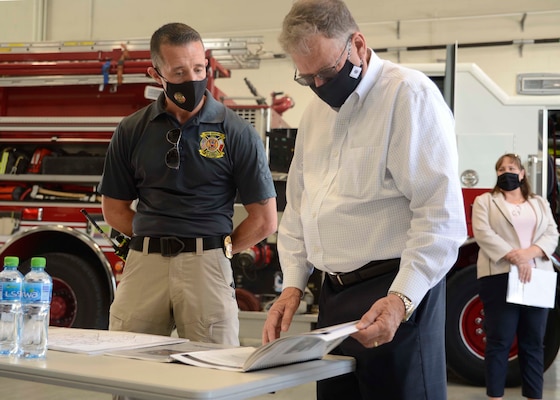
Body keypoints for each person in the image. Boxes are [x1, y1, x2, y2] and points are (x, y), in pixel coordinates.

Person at [262, 1, 467, 399]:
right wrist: (292, 286)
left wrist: (400, 300)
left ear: (357, 44)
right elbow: (301, 208)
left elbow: (439, 215)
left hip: (395, 297)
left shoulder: (408, 96)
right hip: (333, 302)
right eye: (307, 79)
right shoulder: (316, 113)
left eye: (326, 73)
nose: (319, 87)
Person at [98, 22, 277, 346]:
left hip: (207, 266)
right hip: (144, 265)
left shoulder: (236, 132)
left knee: (212, 376)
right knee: (127, 371)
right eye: (179, 72)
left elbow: (265, 219)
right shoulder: (132, 130)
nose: (192, 79)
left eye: (198, 69)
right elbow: (113, 210)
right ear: (157, 74)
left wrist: (218, 251)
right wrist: (153, 238)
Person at [472, 154, 558, 400]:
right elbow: (483, 233)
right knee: (500, 340)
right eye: (501, 168)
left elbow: (552, 232)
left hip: (537, 278)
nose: (505, 171)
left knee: (534, 343)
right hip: (499, 277)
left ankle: (534, 396)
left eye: (511, 167)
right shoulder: (485, 201)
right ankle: (495, 397)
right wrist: (515, 257)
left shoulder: (539, 203)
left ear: (522, 173)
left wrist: (529, 254)